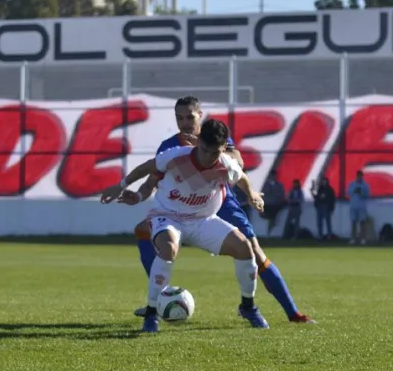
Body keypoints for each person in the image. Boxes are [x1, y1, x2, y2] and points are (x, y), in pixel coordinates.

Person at [121, 96, 313, 324]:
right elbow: (152, 178)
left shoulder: (215, 136)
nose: (184, 122)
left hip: (221, 204)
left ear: (200, 116)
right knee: (143, 231)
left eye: (189, 117)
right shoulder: (170, 146)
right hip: (181, 209)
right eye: (179, 118)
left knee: (254, 252)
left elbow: (237, 162)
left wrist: (209, 151)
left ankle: (292, 313)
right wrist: (140, 195)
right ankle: (159, 300)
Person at [100, 119, 270, 333]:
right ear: (198, 143)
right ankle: (152, 314)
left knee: (244, 248)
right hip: (168, 216)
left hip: (203, 221)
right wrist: (121, 185)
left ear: (223, 148)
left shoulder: (226, 163)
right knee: (168, 248)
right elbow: (147, 168)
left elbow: (241, 177)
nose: (209, 158)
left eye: (215, 153)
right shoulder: (176, 156)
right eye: (205, 150)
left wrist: (252, 194)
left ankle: (248, 307)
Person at [347, 170, 371, 244]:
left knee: (362, 222)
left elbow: (367, 195)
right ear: (356, 176)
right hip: (353, 206)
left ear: (362, 176)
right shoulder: (352, 184)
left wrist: (361, 192)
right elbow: (347, 192)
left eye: (361, 176)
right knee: (353, 222)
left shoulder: (365, 185)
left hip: (362, 206)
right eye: (358, 176)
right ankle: (353, 238)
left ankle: (363, 238)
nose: (359, 178)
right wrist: (354, 191)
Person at [261, 171, 286, 236]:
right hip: (267, 205)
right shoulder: (266, 185)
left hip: (275, 205)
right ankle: (267, 233)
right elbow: (264, 193)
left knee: (273, 219)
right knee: (267, 219)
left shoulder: (279, 185)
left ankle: (270, 233)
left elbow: (281, 194)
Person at [311, 175, 336, 240]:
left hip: (326, 206)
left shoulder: (330, 189)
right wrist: (312, 193)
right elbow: (316, 197)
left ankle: (329, 235)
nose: (323, 182)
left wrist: (332, 208)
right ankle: (320, 235)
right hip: (319, 206)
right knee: (319, 222)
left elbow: (332, 199)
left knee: (328, 222)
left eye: (325, 181)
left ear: (327, 182)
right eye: (322, 181)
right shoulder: (320, 189)